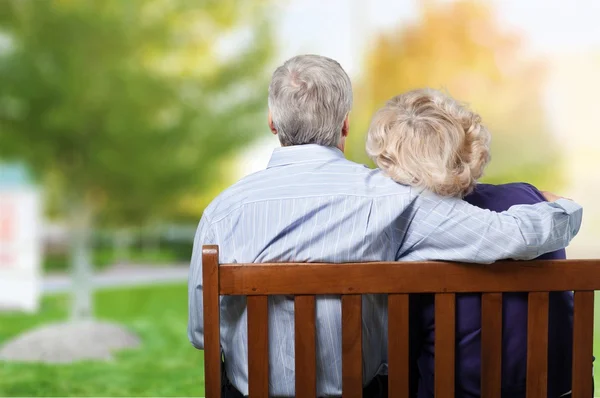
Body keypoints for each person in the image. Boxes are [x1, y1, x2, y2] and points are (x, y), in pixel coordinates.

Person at [188, 55, 583, 398]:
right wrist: (562, 207)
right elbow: (511, 235)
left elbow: (202, 335)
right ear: (345, 125)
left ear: (273, 122)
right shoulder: (395, 199)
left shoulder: (222, 211)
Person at [365, 88, 584, 398]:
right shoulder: (530, 199)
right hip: (561, 390)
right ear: (467, 146)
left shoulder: (412, 232)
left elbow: (399, 352)